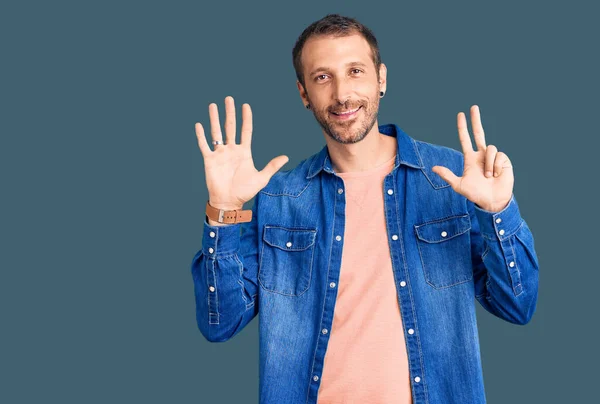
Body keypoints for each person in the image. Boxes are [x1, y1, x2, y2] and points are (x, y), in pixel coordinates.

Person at [190, 13, 539, 404]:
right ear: (304, 93)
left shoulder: (450, 178)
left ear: (381, 79)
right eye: (323, 77)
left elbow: (517, 305)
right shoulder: (280, 198)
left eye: (355, 70)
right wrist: (224, 210)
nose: (342, 94)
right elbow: (219, 322)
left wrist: (498, 211)